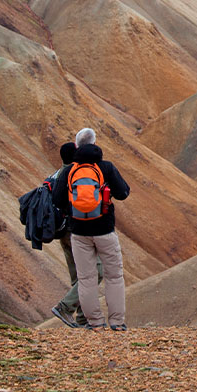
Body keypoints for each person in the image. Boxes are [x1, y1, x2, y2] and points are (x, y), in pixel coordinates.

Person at [51, 128, 131, 330]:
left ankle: (94, 323)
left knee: (85, 279)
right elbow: (123, 193)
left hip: (79, 232)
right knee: (114, 276)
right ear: (95, 143)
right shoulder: (106, 167)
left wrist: (75, 206)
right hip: (104, 229)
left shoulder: (69, 170)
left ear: (77, 146)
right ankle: (117, 322)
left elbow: (57, 200)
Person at [48, 142, 103, 329]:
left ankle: (83, 319)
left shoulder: (57, 174)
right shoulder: (76, 174)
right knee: (96, 272)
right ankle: (64, 307)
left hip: (62, 232)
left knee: (78, 278)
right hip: (76, 231)